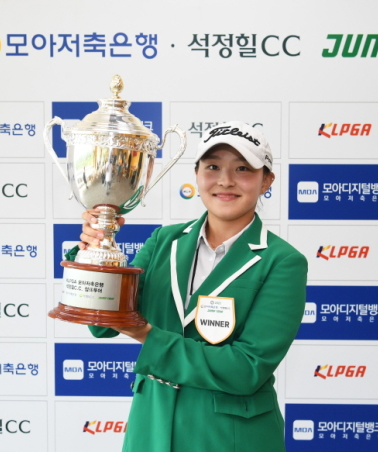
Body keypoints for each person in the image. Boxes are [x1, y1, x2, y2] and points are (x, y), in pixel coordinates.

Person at [71, 121, 308, 452]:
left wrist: (145, 334)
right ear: (196, 174)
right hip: (151, 430)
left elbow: (246, 369)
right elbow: (102, 325)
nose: (225, 180)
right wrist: (95, 252)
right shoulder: (164, 240)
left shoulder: (282, 261)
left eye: (242, 168)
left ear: (266, 180)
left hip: (229, 439)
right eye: (212, 167)